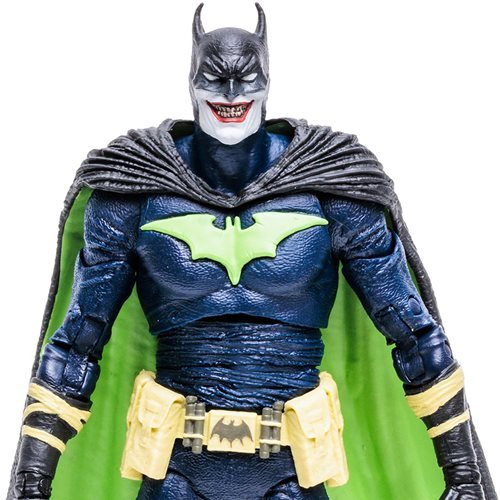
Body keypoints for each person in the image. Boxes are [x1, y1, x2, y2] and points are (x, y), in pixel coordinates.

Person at [10, 4, 495, 499]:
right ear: (191, 80)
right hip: (175, 470)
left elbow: (413, 334)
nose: (230, 93)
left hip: (292, 471)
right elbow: (76, 345)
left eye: (245, 78)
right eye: (214, 77)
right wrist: (31, 482)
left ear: (266, 80)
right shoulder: (136, 190)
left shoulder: (330, 184)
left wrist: (464, 475)